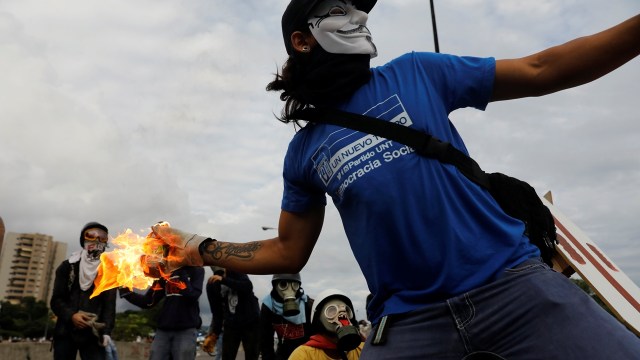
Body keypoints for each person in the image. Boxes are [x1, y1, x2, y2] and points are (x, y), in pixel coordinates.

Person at [144, 1, 640, 358]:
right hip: (407, 325)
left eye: (361, 12)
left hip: (516, 289)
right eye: (341, 10)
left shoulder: (417, 73)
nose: (358, 19)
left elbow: (540, 69)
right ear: (303, 39)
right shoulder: (303, 152)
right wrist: (198, 246)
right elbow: (288, 252)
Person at [50, 222, 117, 360]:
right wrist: (72, 316)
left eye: (102, 236)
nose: (97, 239)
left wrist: (106, 332)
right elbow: (56, 300)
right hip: (65, 332)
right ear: (83, 240)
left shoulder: (108, 272)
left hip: (94, 335)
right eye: (91, 235)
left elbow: (109, 307)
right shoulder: (67, 267)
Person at [120, 266, 204, 360]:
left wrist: (181, 273)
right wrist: (126, 292)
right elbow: (148, 301)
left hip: (186, 329)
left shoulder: (196, 270)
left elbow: (192, 296)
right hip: (164, 329)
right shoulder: (165, 272)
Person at [289, 289, 364, 360]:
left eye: (346, 310)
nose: (342, 314)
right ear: (318, 320)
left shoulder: (363, 349)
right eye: (332, 310)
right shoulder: (303, 355)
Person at [205, 267, 260, 360]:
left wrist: (224, 280)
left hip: (251, 321)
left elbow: (248, 286)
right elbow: (217, 312)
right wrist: (214, 334)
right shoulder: (212, 284)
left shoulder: (236, 271)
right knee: (227, 356)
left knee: (252, 355)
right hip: (231, 323)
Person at [259, 273, 314, 360]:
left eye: (294, 285)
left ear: (298, 287)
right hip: (283, 353)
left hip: (306, 352)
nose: (289, 290)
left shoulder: (308, 304)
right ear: (275, 286)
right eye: (283, 284)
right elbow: (265, 339)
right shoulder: (269, 305)